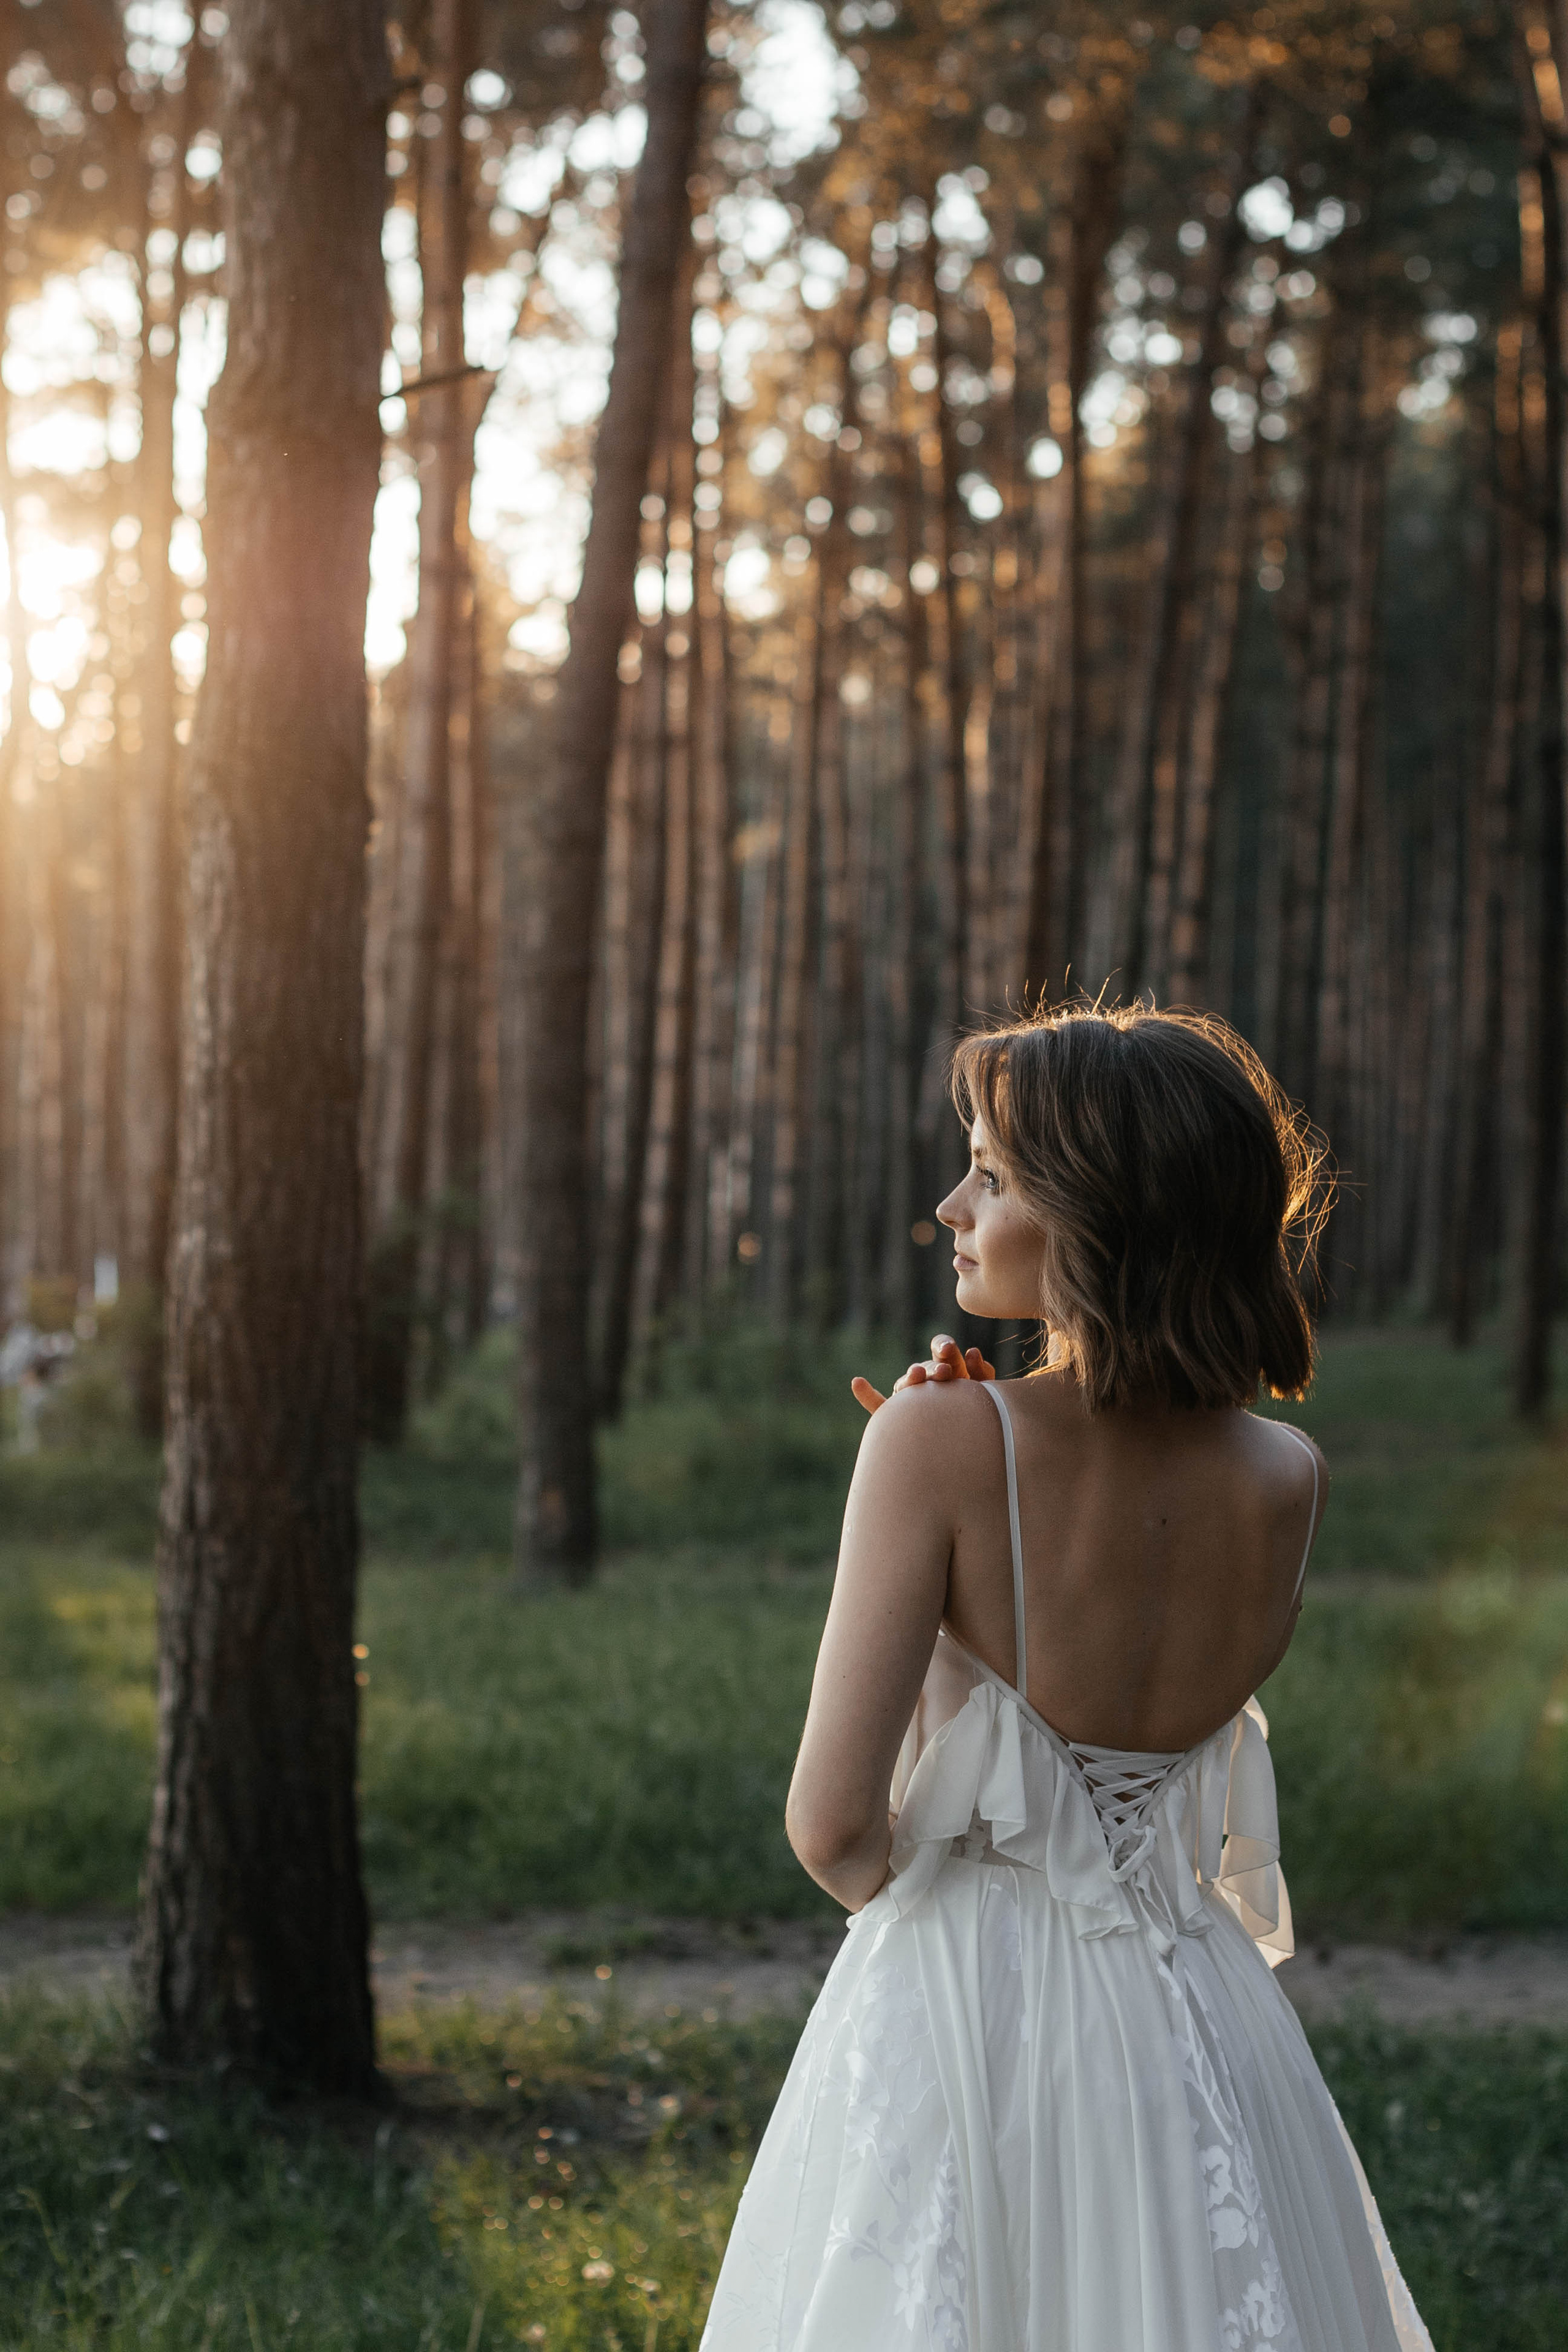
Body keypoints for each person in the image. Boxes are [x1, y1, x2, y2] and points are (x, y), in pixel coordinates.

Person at [701, 1003, 1430, 2352]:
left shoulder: (933, 1440)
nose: (948, 1205)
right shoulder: (1288, 1479)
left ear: (1096, 1210)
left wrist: (935, 1936)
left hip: (970, 2001)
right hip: (1197, 2010)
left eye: (987, 1171)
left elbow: (833, 1827)